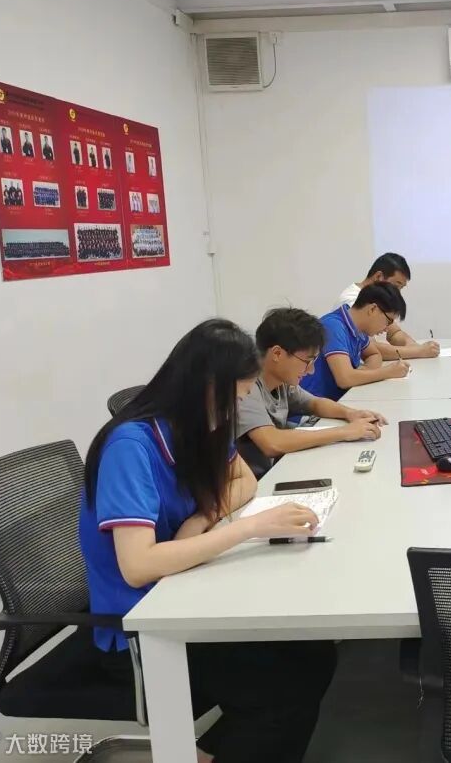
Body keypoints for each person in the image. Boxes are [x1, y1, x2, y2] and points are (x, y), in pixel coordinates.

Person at [79, 319, 337, 763]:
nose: (236, 410)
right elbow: (138, 567)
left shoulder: (198, 426)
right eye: (235, 397)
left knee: (313, 653)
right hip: (143, 628)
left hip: (186, 595)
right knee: (283, 691)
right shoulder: (131, 447)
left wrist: (203, 517)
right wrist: (249, 528)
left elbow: (245, 480)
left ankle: (212, 751)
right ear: (204, 388)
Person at [237, 307, 389, 478]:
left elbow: (315, 403)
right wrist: (345, 432)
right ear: (277, 353)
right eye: (307, 361)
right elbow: (272, 443)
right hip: (255, 483)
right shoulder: (244, 387)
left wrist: (351, 413)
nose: (311, 370)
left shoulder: (280, 381)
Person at [301, 282, 410, 401]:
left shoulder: (358, 328)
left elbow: (374, 354)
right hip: (313, 408)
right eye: (388, 321)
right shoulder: (334, 326)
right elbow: (345, 379)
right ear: (373, 309)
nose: (387, 328)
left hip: (341, 399)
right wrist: (388, 372)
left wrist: (362, 373)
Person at [338, 253, 439, 359]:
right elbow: (368, 349)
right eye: (396, 286)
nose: (397, 293)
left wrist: (413, 345)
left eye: (401, 288)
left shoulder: (378, 298)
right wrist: (418, 351)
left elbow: (394, 332)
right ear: (378, 277)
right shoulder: (351, 300)